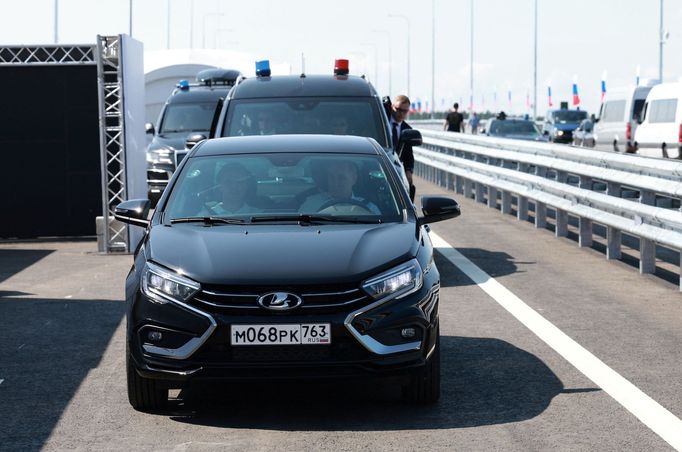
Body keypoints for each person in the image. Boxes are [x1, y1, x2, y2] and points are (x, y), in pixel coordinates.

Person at [299, 160, 380, 214]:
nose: (335, 182)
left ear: (354, 179)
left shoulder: (369, 207)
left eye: (341, 178)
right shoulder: (311, 204)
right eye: (331, 177)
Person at [389, 94, 416, 202]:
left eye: (405, 111)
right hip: (380, 164)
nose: (401, 113)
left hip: (397, 166)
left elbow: (409, 155)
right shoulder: (382, 122)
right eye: (398, 109)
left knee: (409, 187)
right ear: (392, 107)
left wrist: (409, 170)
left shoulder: (407, 129)